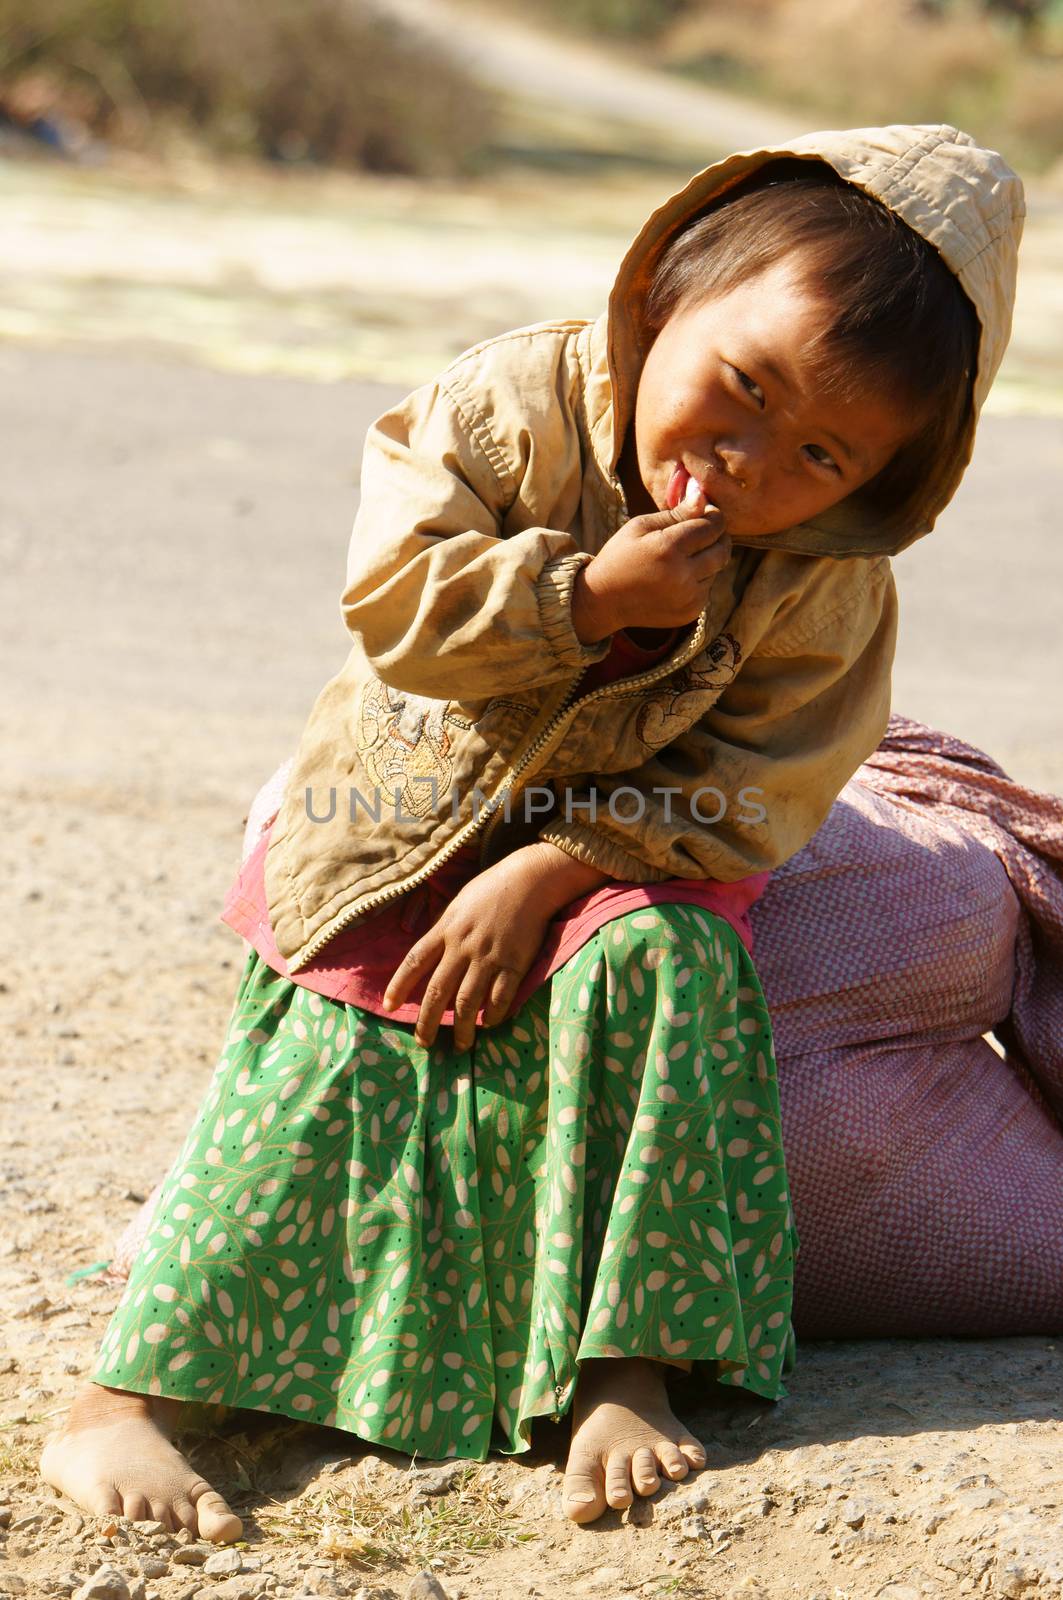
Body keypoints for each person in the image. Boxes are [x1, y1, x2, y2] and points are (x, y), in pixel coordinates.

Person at [40, 124, 1023, 1539]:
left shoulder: (825, 579)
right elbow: (394, 603)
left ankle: (625, 1368)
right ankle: (123, 1402)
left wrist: (557, 873)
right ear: (668, 292)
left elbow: (775, 775)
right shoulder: (508, 407)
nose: (749, 464)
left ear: (884, 478)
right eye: (740, 390)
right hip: (405, 815)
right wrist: (585, 600)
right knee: (349, 1039)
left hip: (631, 852)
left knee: (681, 983)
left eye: (820, 452)